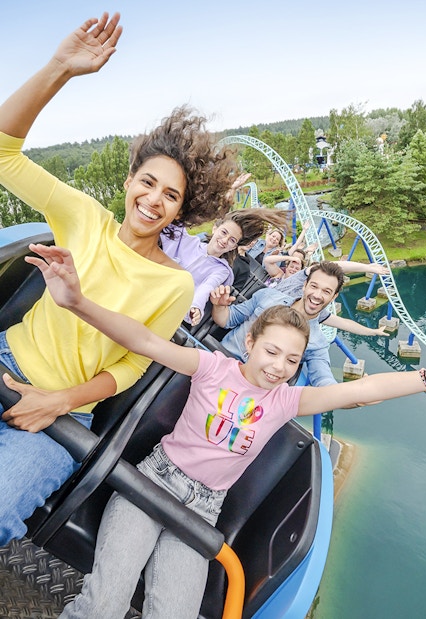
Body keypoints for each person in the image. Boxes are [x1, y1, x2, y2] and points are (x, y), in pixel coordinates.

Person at [22, 241, 426, 619]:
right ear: (251, 343)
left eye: (292, 361)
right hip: (154, 482)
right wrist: (77, 302)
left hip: (202, 510)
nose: (279, 368)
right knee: (105, 604)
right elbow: (145, 342)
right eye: (272, 352)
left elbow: (360, 391)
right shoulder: (214, 367)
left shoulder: (287, 400)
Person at [0, 13, 236, 546]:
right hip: (7, 361)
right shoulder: (82, 216)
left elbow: (132, 365)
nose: (152, 200)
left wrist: (58, 402)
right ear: (129, 181)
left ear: (181, 211)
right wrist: (59, 68)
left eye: (169, 195)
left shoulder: (174, 285)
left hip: (63, 411)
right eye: (147, 183)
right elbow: (3, 152)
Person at [210, 261, 387, 388]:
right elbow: (227, 319)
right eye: (314, 287)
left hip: (251, 389)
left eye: (326, 291)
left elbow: (324, 381)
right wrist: (219, 305)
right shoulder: (268, 297)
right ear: (304, 286)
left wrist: (356, 393)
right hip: (221, 363)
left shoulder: (317, 342)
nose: (317, 295)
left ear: (333, 298)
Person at [160, 208, 287, 325]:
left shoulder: (221, 270)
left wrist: (195, 306)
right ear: (215, 228)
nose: (225, 240)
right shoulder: (188, 242)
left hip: (173, 305)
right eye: (224, 232)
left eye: (232, 240)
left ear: (234, 247)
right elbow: (174, 220)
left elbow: (206, 287)